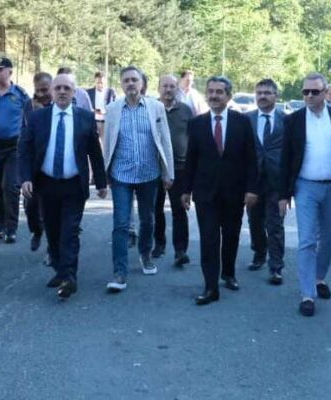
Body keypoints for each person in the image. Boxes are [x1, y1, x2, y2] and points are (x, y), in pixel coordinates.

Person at [278, 72, 331, 317]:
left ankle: (318, 277)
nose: (309, 96)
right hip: (305, 186)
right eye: (305, 92)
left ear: (325, 93)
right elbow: (285, 159)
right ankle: (307, 294)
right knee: (307, 240)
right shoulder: (293, 121)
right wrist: (283, 194)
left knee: (329, 238)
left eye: (315, 92)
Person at [19, 74, 108, 299]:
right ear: (51, 91)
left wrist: (101, 182)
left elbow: (94, 153)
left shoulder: (85, 118)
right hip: (46, 184)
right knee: (53, 230)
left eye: (66, 88)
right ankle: (60, 270)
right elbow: (25, 149)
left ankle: (69, 277)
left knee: (69, 231)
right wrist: (26, 178)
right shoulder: (38, 117)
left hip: (74, 184)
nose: (61, 92)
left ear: (74, 92)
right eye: (57, 87)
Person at [182, 76, 258, 305]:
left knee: (231, 235)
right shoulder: (197, 123)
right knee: (209, 239)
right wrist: (185, 190)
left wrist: (251, 189)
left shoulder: (242, 122)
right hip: (205, 192)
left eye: (219, 92)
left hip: (234, 191)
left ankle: (228, 273)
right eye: (211, 91)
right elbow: (191, 159)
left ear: (228, 96)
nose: (214, 96)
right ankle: (210, 287)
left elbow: (251, 158)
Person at [102, 65, 174, 292]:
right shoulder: (113, 109)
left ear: (142, 83)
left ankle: (145, 254)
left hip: (149, 174)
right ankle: (119, 272)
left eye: (134, 79)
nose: (131, 83)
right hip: (121, 175)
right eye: (126, 80)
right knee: (121, 224)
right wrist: (104, 175)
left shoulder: (156, 107)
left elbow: (165, 140)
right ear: (121, 84)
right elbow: (107, 142)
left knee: (148, 219)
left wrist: (168, 173)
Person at [245, 78, 287, 285]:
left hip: (276, 181)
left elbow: (291, 152)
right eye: (259, 93)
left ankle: (276, 267)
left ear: (275, 96)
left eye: (267, 93)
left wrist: (288, 187)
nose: (262, 96)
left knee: (275, 224)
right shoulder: (246, 120)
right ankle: (259, 253)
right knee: (254, 221)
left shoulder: (286, 120)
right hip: (253, 181)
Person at [0, 57, 32, 243]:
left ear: (10, 72)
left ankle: (11, 228)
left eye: (1, 69)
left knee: (10, 186)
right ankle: (0, 225)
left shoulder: (20, 95)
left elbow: (29, 121)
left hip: (14, 147)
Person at [152, 74, 193, 266]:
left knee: (179, 209)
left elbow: (193, 139)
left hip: (180, 168)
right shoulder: (151, 108)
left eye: (172, 86)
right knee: (156, 209)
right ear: (159, 88)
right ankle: (159, 244)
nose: (168, 90)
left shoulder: (186, 110)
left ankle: (180, 251)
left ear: (177, 89)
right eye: (165, 86)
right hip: (154, 167)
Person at [25, 72, 53, 253]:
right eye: (38, 91)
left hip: (53, 163)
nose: (41, 94)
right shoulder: (29, 105)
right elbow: (25, 135)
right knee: (30, 205)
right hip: (34, 163)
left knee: (51, 208)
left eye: (45, 90)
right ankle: (36, 230)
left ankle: (52, 248)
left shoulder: (59, 104)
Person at [86, 71, 116, 141]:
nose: (100, 85)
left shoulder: (111, 92)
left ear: (105, 82)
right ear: (94, 82)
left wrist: (101, 111)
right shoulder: (88, 92)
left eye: (102, 83)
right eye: (98, 83)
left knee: (105, 142)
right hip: (93, 122)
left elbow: (114, 107)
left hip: (106, 122)